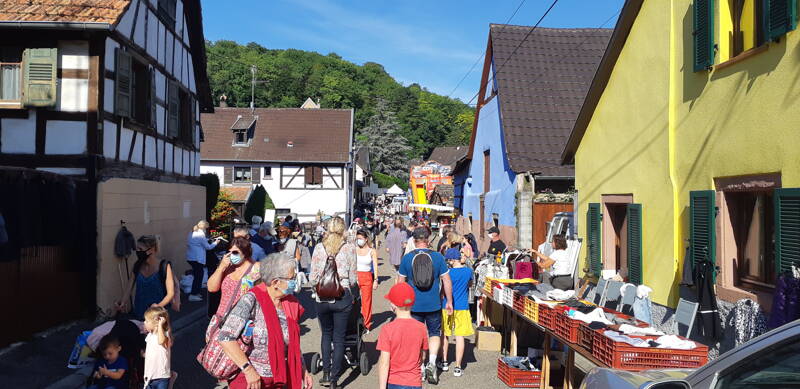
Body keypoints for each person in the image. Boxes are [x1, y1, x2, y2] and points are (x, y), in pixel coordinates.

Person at [218, 253, 313, 389]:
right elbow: (225, 337)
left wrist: (303, 370)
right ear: (275, 282)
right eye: (291, 278)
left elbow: (293, 343)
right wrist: (248, 370)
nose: (295, 281)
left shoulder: (290, 304)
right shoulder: (251, 300)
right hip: (250, 381)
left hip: (279, 379)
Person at [397, 227, 453, 385]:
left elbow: (400, 283)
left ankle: (420, 367)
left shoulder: (407, 258)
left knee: (416, 337)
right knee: (434, 333)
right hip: (434, 304)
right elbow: (447, 281)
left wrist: (398, 303)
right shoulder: (437, 257)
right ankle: (432, 362)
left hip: (413, 306)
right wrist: (448, 301)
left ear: (414, 241)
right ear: (428, 240)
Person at [309, 216, 357, 389]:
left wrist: (319, 286)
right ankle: (336, 379)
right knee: (339, 338)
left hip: (322, 297)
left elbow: (313, 277)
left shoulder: (319, 248)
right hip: (342, 295)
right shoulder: (349, 248)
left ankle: (326, 373)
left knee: (326, 334)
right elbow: (352, 279)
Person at [377, 283, 428, 389]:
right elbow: (423, 355)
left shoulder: (387, 329)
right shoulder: (421, 328)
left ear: (393, 305)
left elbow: (384, 363)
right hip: (414, 382)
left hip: (394, 381)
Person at [116, 235, 175, 320]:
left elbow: (170, 294)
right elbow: (129, 287)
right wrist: (122, 302)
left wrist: (157, 306)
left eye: (140, 249)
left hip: (158, 317)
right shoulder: (137, 265)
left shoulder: (164, 266)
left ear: (151, 250)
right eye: (137, 249)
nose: (137, 251)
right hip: (139, 314)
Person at [207, 236, 261, 317]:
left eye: (235, 252)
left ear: (245, 252)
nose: (232, 255)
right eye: (229, 252)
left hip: (244, 319)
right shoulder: (227, 268)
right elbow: (211, 288)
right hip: (222, 316)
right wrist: (221, 267)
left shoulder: (256, 268)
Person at [440, 248, 474, 377]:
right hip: (462, 306)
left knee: (445, 334)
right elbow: (470, 285)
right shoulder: (468, 271)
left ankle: (444, 362)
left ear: (452, 260)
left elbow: (443, 291)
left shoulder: (447, 273)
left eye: (448, 260)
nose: (447, 262)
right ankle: (458, 366)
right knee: (460, 336)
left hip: (446, 306)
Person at [186, 221, 221, 302]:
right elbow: (208, 247)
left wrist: (208, 239)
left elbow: (198, 242)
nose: (207, 230)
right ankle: (193, 294)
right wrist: (216, 242)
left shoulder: (192, 232)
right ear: (204, 228)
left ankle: (196, 292)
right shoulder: (201, 235)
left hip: (191, 257)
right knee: (198, 276)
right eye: (206, 228)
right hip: (197, 258)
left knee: (198, 275)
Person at [355, 229, 379, 332]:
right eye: (357, 238)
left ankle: (366, 324)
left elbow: (375, 266)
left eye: (360, 238)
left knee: (366, 302)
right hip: (355, 276)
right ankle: (354, 322)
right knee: (353, 301)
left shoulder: (372, 251)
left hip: (367, 277)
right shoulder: (354, 249)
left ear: (365, 239)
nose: (358, 240)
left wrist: (376, 280)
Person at [142, 306, 172, 389]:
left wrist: (160, 325)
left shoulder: (165, 335)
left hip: (161, 376)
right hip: (150, 375)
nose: (144, 322)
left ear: (156, 323)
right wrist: (145, 354)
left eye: (147, 321)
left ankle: (172, 377)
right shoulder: (150, 336)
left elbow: (161, 341)